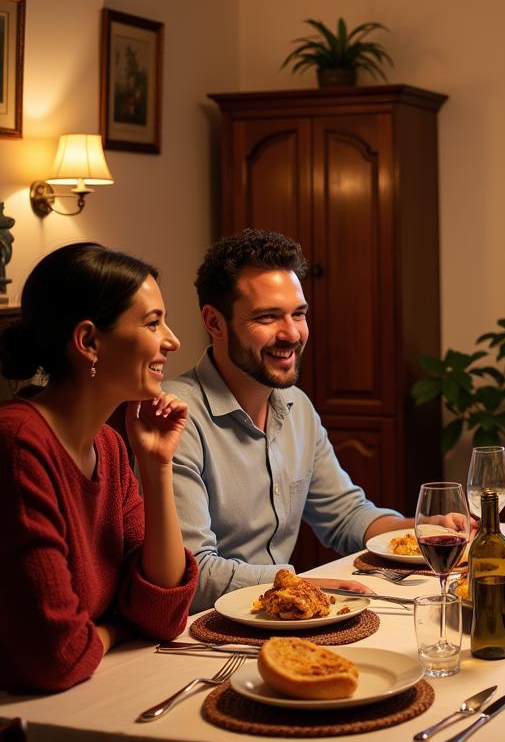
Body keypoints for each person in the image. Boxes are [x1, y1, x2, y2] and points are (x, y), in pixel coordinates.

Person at [165, 230, 409, 611]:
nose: (292, 334)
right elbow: (191, 574)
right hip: (201, 632)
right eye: (267, 317)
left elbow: (345, 516)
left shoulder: (297, 406)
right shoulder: (176, 419)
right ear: (214, 323)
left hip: (279, 622)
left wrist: (419, 529)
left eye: (299, 314)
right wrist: (303, 585)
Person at [0, 243, 197, 692]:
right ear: (89, 342)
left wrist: (156, 465)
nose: (172, 340)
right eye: (153, 323)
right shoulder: (18, 445)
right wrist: (115, 629)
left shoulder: (107, 445)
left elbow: (163, 615)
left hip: (87, 692)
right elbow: (58, 656)